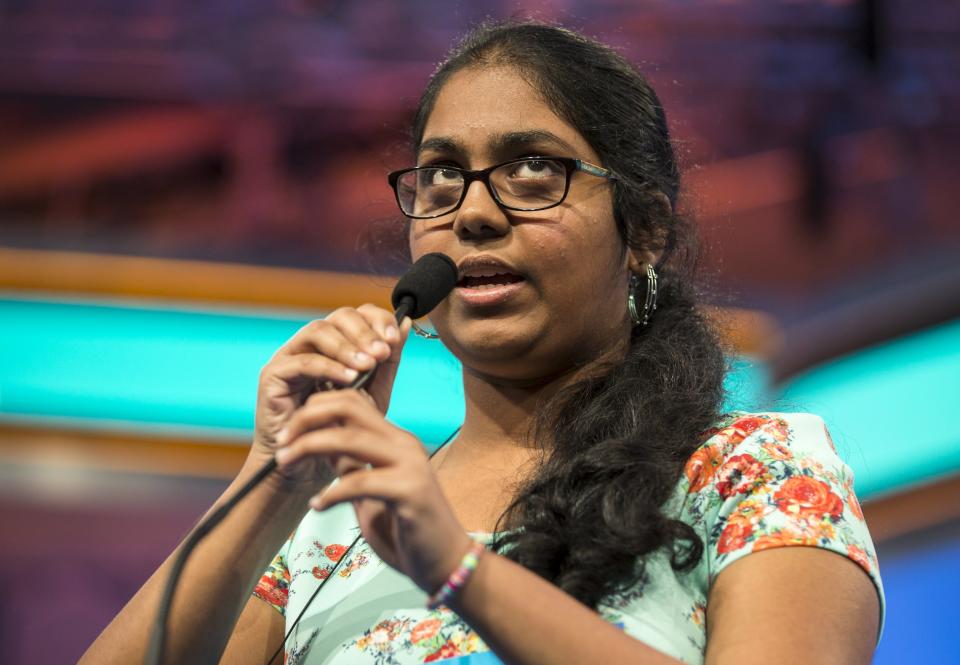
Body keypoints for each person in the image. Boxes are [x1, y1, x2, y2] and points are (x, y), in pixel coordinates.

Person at [80, 20, 884, 665]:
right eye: (440, 174)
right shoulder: (331, 520)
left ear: (642, 231)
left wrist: (458, 571)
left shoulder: (755, 470)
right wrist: (272, 476)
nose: (472, 212)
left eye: (533, 169)